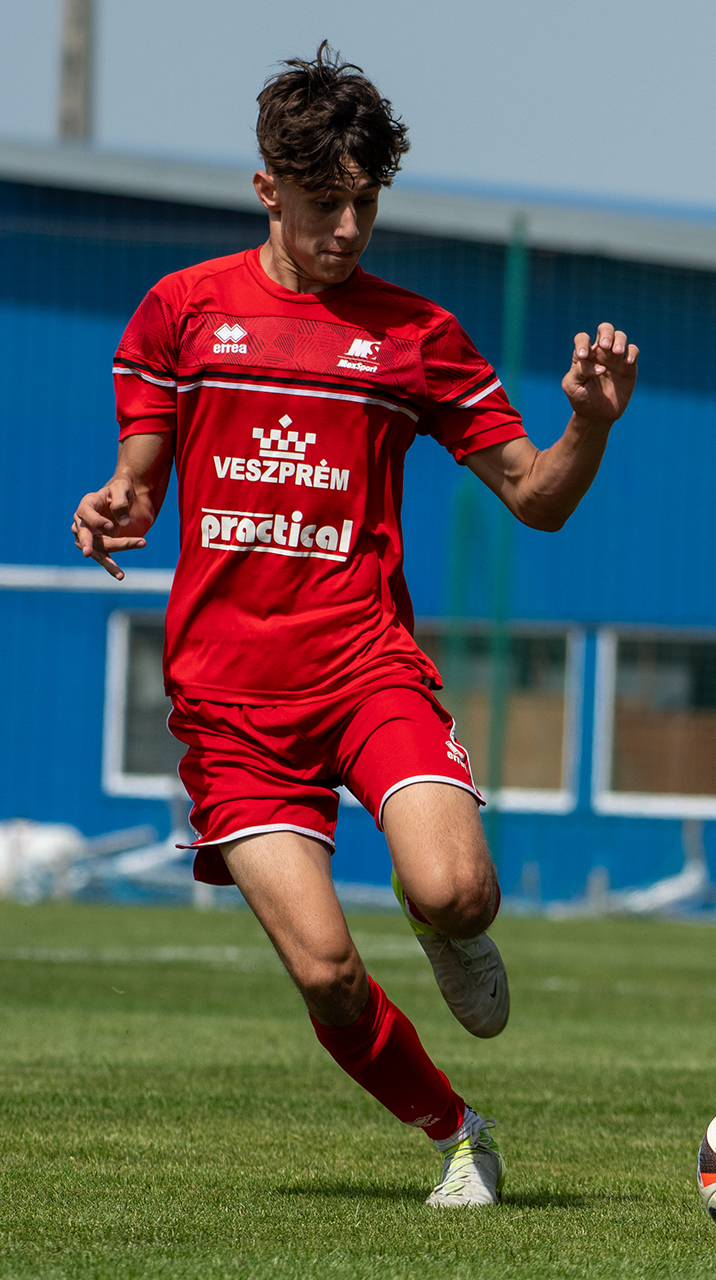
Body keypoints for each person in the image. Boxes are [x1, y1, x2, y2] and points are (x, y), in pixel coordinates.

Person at [68, 45, 637, 1206]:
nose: (348, 227)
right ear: (267, 188)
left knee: (456, 889)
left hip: (365, 669)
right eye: (325, 202)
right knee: (325, 968)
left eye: (366, 203)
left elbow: (536, 497)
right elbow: (141, 474)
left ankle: (446, 926)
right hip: (228, 700)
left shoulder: (416, 334)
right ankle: (456, 1130)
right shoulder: (183, 310)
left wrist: (589, 425)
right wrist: (119, 498)